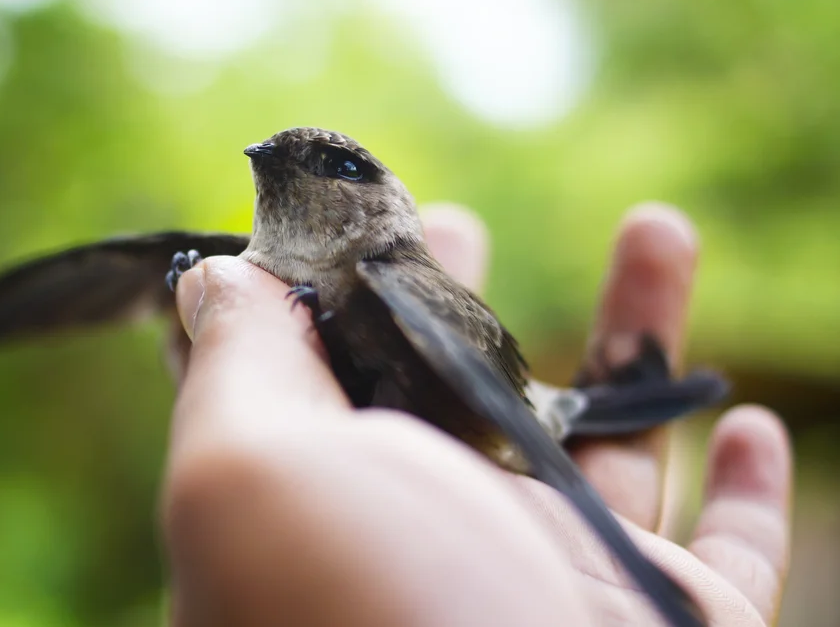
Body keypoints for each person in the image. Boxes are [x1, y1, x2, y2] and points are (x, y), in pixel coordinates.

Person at [159, 203, 792, 626]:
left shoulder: (389, 274)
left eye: (335, 164)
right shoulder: (268, 266)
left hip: (502, 418)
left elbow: (494, 406)